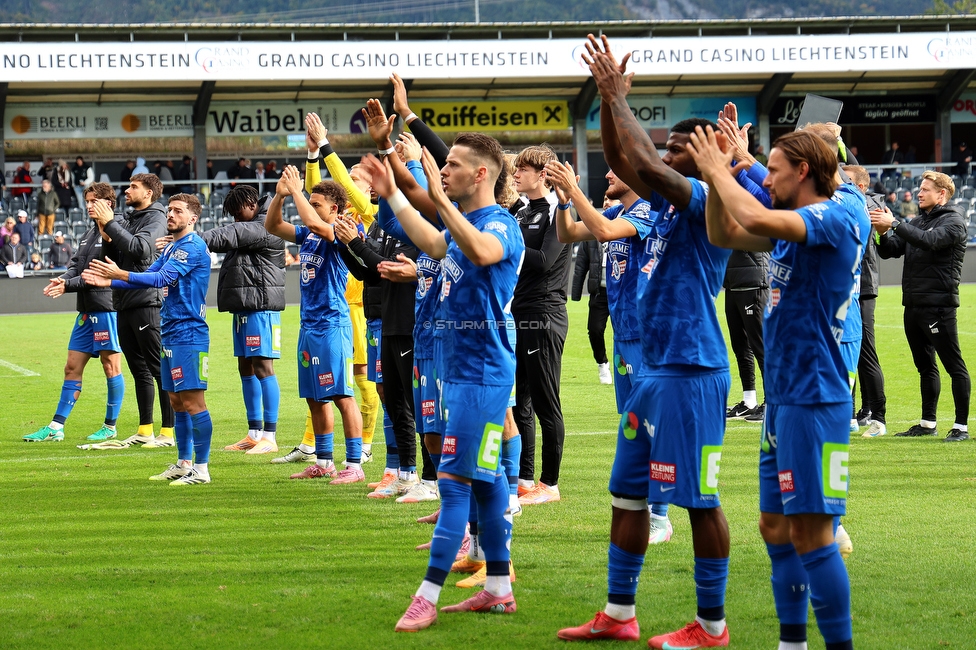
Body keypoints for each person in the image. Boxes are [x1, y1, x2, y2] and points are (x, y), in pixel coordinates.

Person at [557, 36, 732, 648]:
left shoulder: (703, 198)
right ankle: (619, 613)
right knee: (627, 497)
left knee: (699, 500)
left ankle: (712, 627)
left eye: (685, 145)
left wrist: (612, 95)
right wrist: (612, 105)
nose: (669, 153)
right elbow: (627, 158)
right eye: (672, 144)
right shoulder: (658, 205)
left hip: (693, 370)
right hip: (653, 368)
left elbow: (647, 165)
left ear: (709, 155)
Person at [689, 124, 867, 650]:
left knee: (814, 537)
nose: (764, 177)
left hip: (816, 396)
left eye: (773, 169)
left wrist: (721, 168)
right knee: (774, 526)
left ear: (805, 171)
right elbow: (726, 234)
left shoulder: (831, 216)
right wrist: (717, 173)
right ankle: (793, 642)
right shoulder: (797, 222)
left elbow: (755, 214)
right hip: (784, 397)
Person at [358, 130, 523, 631]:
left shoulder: (498, 223)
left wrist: (432, 194)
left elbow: (479, 252)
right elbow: (433, 241)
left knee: (453, 484)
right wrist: (391, 192)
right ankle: (498, 587)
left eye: (451, 165)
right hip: (460, 370)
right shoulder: (466, 219)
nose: (443, 171)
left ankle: (426, 596)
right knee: (489, 483)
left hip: (482, 376)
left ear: (480, 175)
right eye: (442, 164)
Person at [550, 162, 676, 546]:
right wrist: (563, 202)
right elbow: (569, 233)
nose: (606, 176)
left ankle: (661, 517)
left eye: (613, 172)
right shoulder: (617, 210)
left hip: (646, 335)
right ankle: (644, 511)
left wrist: (575, 189)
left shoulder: (644, 212)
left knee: (652, 426)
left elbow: (602, 232)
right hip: (623, 335)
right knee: (632, 424)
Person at [84, 194, 214, 485]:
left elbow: (160, 279)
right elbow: (149, 272)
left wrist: (119, 274)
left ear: (193, 218)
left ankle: (202, 470)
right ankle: (184, 463)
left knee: (194, 403)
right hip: (170, 331)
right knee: (177, 401)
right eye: (169, 210)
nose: (171, 215)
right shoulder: (172, 248)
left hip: (189, 334)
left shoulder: (191, 247)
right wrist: (110, 281)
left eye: (178, 211)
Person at [264, 165, 365, 483]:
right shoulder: (308, 234)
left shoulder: (339, 231)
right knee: (315, 396)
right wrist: (280, 195)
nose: (311, 207)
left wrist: (295, 190)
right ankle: (324, 462)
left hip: (333, 325)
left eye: (317, 203)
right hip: (309, 326)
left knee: (342, 395)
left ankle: (354, 465)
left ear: (335, 209)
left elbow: (311, 221)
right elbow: (273, 225)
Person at [304, 112, 384, 474]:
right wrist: (311, 158)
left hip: (352, 307)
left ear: (369, 189)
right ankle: (315, 450)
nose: (347, 183)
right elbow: (314, 196)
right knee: (323, 382)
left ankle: (363, 446)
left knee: (360, 378)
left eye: (355, 179)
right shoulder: (336, 215)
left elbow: (339, 193)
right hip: (332, 306)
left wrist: (326, 148)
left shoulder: (367, 212)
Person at [873, 170, 971, 442]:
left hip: (938, 305)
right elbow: (890, 250)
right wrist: (882, 232)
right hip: (913, 306)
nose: (919, 192)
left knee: (954, 366)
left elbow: (929, 242)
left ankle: (961, 426)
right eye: (920, 188)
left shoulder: (954, 220)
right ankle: (928, 423)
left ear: (942, 194)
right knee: (925, 366)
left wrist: (894, 223)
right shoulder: (919, 220)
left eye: (925, 189)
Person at [24, 182, 125, 444]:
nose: (89, 205)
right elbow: (76, 266)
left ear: (109, 204)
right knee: (71, 366)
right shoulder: (89, 233)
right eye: (87, 201)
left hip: (106, 307)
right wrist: (63, 278)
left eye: (94, 201)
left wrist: (68, 285)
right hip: (86, 310)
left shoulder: (116, 232)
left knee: (110, 366)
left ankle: (110, 426)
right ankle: (56, 427)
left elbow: (98, 274)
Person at [195, 184, 286, 456]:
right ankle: (254, 432)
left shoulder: (269, 224)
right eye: (232, 214)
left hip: (261, 307)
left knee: (263, 367)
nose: (235, 218)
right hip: (245, 308)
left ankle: (270, 436)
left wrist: (191, 239)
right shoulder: (248, 224)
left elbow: (233, 233)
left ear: (251, 204)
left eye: (238, 212)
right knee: (245, 368)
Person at [92, 173, 175, 447]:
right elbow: (114, 258)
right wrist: (106, 231)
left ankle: (168, 433)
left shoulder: (156, 218)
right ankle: (144, 429)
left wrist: (113, 224)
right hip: (124, 301)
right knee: (139, 370)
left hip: (146, 302)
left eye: (133, 187)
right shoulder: (131, 218)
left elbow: (140, 250)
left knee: (159, 369)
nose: (127, 190)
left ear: (149, 193)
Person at [509, 144, 571, 506]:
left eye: (523, 170)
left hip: (544, 314)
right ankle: (525, 477)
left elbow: (545, 260)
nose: (517, 175)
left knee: (547, 402)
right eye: (515, 169)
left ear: (542, 175)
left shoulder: (556, 211)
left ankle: (550, 484)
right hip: (520, 313)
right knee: (521, 404)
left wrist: (504, 245)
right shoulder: (523, 212)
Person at [844, 165, 888, 438]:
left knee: (865, 353)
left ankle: (877, 416)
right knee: (847, 353)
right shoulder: (849, 201)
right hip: (849, 288)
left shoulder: (867, 205)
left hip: (863, 288)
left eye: (846, 181)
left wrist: (833, 141)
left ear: (860, 187)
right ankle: (851, 414)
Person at [571, 232, 612, 384]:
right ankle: (602, 364)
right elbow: (581, 265)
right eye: (603, 205)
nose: (606, 205)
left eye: (609, 204)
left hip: (621, 292)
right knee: (594, 330)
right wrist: (575, 294)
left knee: (624, 332)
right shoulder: (591, 234)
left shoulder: (626, 227)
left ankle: (626, 366)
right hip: (599, 292)